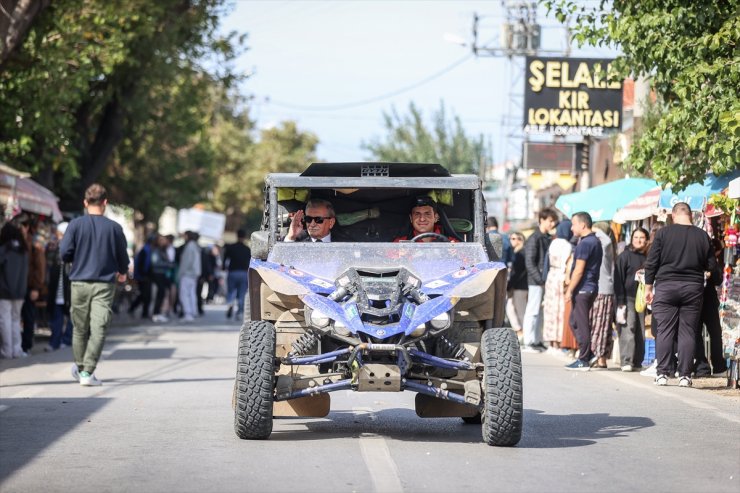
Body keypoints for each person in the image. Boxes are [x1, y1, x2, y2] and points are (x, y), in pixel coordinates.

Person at [60, 184, 129, 386]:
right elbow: (123, 257)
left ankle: (81, 368)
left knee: (79, 328)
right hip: (104, 285)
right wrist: (123, 272)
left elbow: (64, 253)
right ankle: (87, 371)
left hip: (79, 282)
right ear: (105, 203)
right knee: (99, 327)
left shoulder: (74, 225)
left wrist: (76, 258)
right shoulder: (114, 228)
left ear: (85, 202)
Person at [644, 202, 715, 387]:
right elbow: (711, 266)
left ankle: (662, 373)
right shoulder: (703, 236)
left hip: (666, 286)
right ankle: (685, 375)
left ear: (674, 215)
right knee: (688, 331)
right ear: (690, 215)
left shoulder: (663, 234)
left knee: (665, 330)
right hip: (693, 288)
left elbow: (652, 263)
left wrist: (648, 287)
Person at [564, 211, 602, 371]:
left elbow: (579, 270)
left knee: (581, 323)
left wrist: (569, 289)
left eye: (573, 224)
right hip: (590, 287)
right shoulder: (594, 241)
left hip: (583, 288)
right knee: (574, 321)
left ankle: (583, 359)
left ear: (582, 224)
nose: (572, 228)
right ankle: (590, 354)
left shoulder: (586, 243)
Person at [522, 207, 558, 353]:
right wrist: (540, 279)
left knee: (539, 312)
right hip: (536, 281)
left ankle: (536, 340)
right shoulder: (534, 238)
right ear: (542, 220)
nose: (552, 224)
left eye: (553, 221)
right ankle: (528, 341)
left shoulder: (545, 237)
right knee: (532, 311)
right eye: (550, 220)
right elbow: (529, 262)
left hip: (542, 281)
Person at [614, 227, 649, 372]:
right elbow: (618, 279)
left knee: (641, 330)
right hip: (627, 298)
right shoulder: (624, 256)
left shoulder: (648, 257)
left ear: (647, 240)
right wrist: (620, 300)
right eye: (636, 237)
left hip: (642, 299)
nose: (638, 240)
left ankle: (637, 361)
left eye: (642, 237)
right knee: (628, 329)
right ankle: (626, 360)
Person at [693, 237, 727, 377]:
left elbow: (718, 280)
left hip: (706, 300)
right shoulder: (696, 256)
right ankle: (704, 366)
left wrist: (711, 273)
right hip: (697, 299)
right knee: (698, 333)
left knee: (712, 333)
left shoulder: (710, 259)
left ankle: (715, 366)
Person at [589, 222, 617, 370]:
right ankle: (599, 356)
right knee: (599, 325)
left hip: (603, 289)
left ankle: (599, 357)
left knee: (600, 326)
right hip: (598, 289)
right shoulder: (598, 246)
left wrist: (594, 229)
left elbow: (605, 240)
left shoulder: (604, 245)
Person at [542, 219, 573, 350]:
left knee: (550, 310)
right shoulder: (567, 245)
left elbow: (546, 263)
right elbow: (567, 265)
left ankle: (551, 342)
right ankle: (559, 342)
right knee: (560, 310)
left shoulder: (553, 243)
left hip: (551, 277)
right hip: (560, 278)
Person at [0, 222, 29, 359]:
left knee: (5, 320)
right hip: (20, 291)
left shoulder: (4, 250)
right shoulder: (23, 250)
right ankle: (17, 350)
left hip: (4, 291)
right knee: (16, 320)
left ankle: (7, 351)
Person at [17, 215, 45, 353]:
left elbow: (40, 268)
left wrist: (36, 287)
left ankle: (26, 345)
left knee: (28, 317)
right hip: (18, 285)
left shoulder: (34, 245)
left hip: (29, 286)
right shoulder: (17, 242)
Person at [45, 222, 73, 352]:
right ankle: (56, 341)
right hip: (58, 288)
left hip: (69, 288)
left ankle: (65, 340)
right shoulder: (55, 247)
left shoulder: (73, 247)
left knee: (72, 315)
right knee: (58, 315)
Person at [393, 196, 458, 243]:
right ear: (411, 218)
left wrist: (452, 253)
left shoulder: (451, 243)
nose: (422, 219)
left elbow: (465, 260)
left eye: (427, 214)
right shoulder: (400, 244)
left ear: (436, 217)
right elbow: (387, 261)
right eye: (417, 214)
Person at [224, 229, 251, 320]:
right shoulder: (247, 249)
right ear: (244, 237)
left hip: (232, 272)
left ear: (237, 236)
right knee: (242, 293)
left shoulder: (231, 247)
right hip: (243, 273)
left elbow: (225, 259)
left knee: (231, 291)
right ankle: (239, 311)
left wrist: (224, 268)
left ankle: (230, 303)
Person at [505, 232, 528, 335]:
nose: (511, 240)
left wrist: (509, 286)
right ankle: (519, 330)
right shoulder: (516, 253)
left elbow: (518, 273)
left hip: (520, 286)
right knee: (510, 307)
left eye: (514, 238)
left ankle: (524, 333)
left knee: (521, 310)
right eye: (511, 238)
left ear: (520, 240)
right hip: (518, 286)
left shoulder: (521, 253)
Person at [128, 234, 155, 319]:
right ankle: (141, 311)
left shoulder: (146, 249)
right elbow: (143, 265)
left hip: (144, 276)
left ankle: (141, 311)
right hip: (143, 277)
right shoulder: (145, 250)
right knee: (145, 295)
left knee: (145, 295)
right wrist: (142, 275)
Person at [178, 231, 202, 322]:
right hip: (194, 274)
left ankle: (188, 313)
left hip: (187, 273)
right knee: (191, 294)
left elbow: (186, 262)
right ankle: (193, 311)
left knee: (184, 294)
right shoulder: (195, 246)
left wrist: (181, 273)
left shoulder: (189, 247)